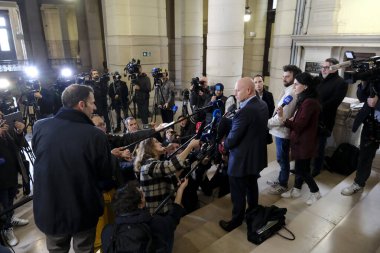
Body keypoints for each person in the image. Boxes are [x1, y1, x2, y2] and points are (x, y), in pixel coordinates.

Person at [32, 84, 113, 253]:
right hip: (83, 210)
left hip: (50, 209)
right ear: (81, 105)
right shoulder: (96, 135)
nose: (95, 107)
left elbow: (44, 158)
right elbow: (104, 177)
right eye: (92, 103)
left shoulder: (40, 126)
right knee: (84, 249)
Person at [219, 77, 268, 232]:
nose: (235, 93)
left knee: (238, 192)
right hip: (255, 157)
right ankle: (252, 212)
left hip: (241, 160)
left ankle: (236, 220)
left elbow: (232, 139)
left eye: (238, 90)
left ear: (248, 90)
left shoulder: (245, 111)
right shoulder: (262, 104)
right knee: (252, 186)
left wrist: (223, 146)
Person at [101, 178, 188, 253]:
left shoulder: (107, 231)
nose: (144, 194)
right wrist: (180, 190)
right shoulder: (155, 223)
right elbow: (173, 218)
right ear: (140, 205)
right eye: (142, 195)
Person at [278, 72, 322, 205]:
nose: (294, 87)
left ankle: (315, 192)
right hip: (302, 141)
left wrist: (283, 119)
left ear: (306, 86)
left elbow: (299, 126)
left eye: (296, 84)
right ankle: (296, 189)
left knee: (303, 170)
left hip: (304, 142)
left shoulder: (309, 102)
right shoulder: (305, 99)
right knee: (300, 167)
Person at [134, 138, 199, 214]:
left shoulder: (154, 163)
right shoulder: (148, 165)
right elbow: (171, 166)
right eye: (156, 142)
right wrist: (189, 147)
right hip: (157, 213)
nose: (161, 143)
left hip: (164, 208)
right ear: (149, 147)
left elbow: (168, 176)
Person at [341, 80, 380, 195]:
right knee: (365, 156)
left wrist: (377, 100)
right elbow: (362, 97)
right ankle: (359, 183)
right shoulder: (375, 76)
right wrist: (364, 83)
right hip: (372, 122)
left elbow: (374, 101)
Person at [267, 65, 301, 195]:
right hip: (279, 131)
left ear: (294, 77)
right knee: (281, 158)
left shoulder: (291, 93)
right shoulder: (288, 90)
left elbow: (283, 117)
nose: (284, 78)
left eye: (287, 76)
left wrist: (266, 123)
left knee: (283, 158)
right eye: (283, 76)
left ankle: (283, 183)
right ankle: (281, 179)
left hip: (283, 132)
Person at [312, 58, 348, 177]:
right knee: (308, 144)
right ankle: (304, 166)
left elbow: (334, 102)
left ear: (335, 68)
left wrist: (314, 107)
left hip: (324, 120)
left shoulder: (341, 83)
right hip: (311, 117)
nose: (323, 69)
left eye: (327, 67)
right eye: (322, 67)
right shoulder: (317, 80)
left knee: (319, 146)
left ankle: (316, 169)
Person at [0, 112, 29, 247]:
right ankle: (6, 229)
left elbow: (19, 145)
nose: (1, 120)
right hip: (1, 176)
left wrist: (19, 132)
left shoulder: (6, 129)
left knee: (11, 199)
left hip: (11, 171)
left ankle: (11, 219)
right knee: (3, 203)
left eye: (1, 117)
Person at [253, 74, 275, 145]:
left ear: (263, 82)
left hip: (265, 125)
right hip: (254, 126)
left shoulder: (269, 95)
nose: (258, 84)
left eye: (260, 81)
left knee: (263, 148)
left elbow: (272, 110)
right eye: (255, 82)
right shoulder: (250, 95)